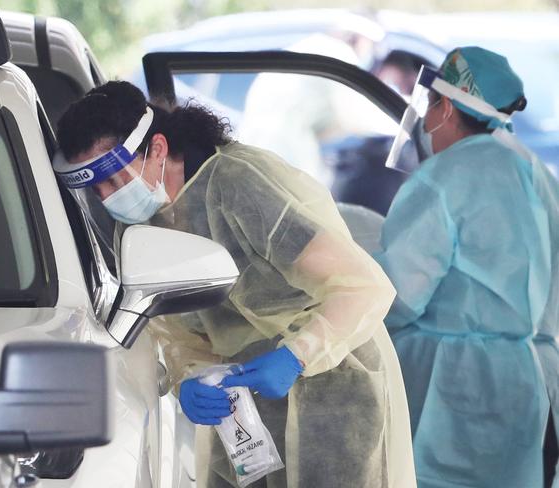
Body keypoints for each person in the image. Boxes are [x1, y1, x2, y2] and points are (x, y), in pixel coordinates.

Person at [54, 80, 416, 487]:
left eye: (113, 179)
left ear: (156, 149)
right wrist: (188, 375)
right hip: (246, 414)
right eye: (95, 187)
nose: (107, 198)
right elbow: (177, 331)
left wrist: (297, 354)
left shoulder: (239, 185)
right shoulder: (141, 228)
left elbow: (362, 286)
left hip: (333, 394)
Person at [374, 46, 559, 487]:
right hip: (533, 384)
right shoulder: (536, 172)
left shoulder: (441, 179)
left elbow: (399, 295)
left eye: (432, 103)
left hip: (456, 392)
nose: (425, 117)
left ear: (447, 106)